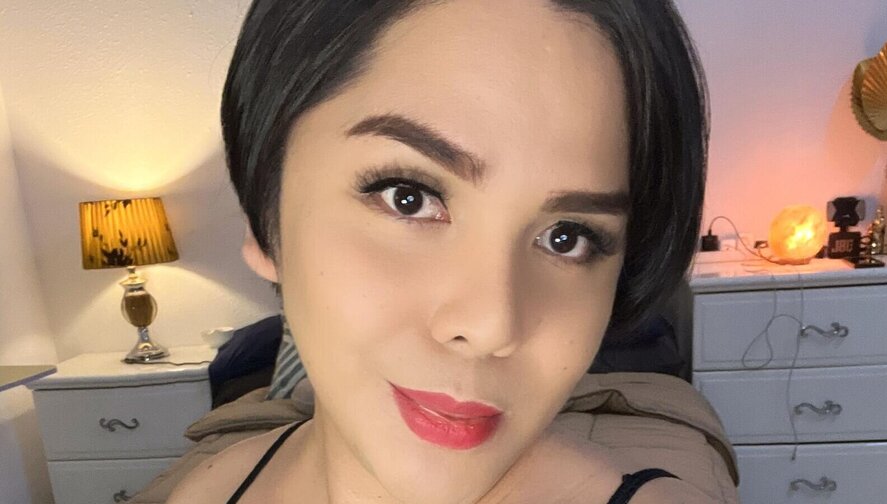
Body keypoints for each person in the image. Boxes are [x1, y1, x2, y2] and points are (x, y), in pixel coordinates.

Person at [169, 0, 710, 502]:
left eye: (566, 237)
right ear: (265, 221)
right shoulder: (207, 491)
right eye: (408, 198)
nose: (490, 326)